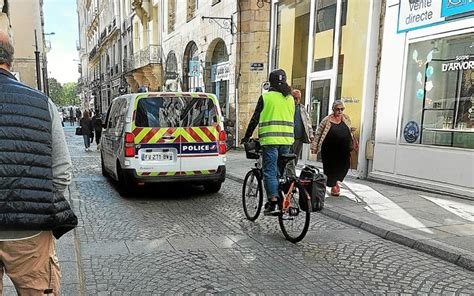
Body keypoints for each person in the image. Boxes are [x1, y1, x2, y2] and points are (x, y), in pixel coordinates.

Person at [0, 30, 77, 295]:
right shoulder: (41, 102)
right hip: (29, 232)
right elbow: (62, 171)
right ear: (11, 60)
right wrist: (41, 205)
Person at [242, 69, 295, 215]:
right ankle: (285, 197)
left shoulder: (266, 97)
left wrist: (246, 137)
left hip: (270, 141)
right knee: (279, 172)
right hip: (287, 140)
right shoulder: (290, 98)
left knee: (270, 172)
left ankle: (273, 202)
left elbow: (255, 119)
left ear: (270, 83)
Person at [310, 100, 356, 196]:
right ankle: (334, 185)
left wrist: (351, 132)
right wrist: (314, 147)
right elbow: (318, 134)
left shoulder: (346, 118)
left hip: (343, 148)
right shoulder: (326, 120)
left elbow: (348, 129)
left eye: (342, 109)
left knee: (345, 165)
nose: (340, 111)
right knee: (331, 168)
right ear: (333, 109)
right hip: (329, 149)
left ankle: (335, 182)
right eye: (337, 109)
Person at [287, 89, 314, 177]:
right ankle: (292, 177)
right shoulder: (287, 107)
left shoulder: (302, 108)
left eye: (298, 98)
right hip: (288, 138)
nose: (296, 100)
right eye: (294, 98)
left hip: (299, 138)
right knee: (289, 159)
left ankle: (290, 176)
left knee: (295, 158)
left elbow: (308, 122)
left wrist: (310, 134)